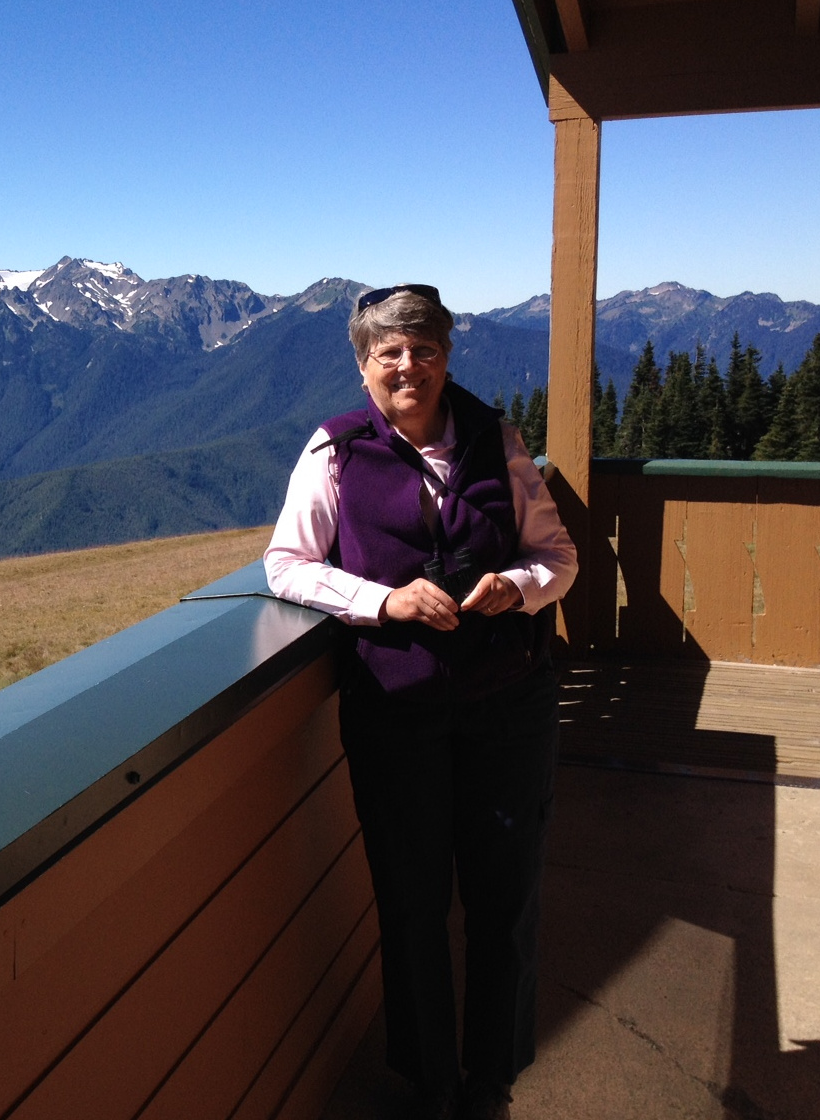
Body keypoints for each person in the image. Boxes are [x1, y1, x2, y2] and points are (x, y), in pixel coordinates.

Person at [264, 284, 577, 1120]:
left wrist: (516, 585)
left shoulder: (495, 437)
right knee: (411, 899)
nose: (409, 365)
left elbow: (557, 555)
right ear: (363, 365)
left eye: (424, 348)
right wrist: (384, 600)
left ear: (446, 355)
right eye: (389, 352)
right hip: (396, 708)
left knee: (505, 896)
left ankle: (492, 1080)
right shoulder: (334, 452)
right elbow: (287, 564)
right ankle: (431, 1080)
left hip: (506, 706)